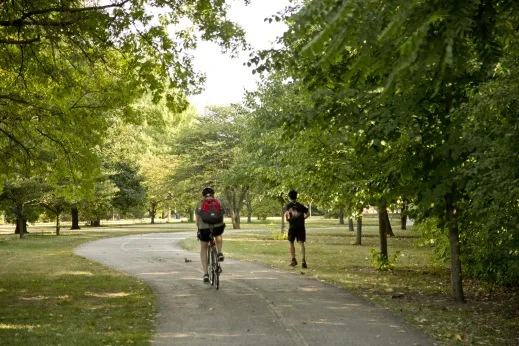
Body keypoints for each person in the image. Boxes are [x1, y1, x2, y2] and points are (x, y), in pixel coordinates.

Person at [195, 187, 225, 283]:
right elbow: (221, 217)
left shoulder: (199, 204)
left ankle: (205, 274)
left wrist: (199, 229)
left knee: (203, 248)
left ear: (203, 196)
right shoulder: (218, 202)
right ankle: (219, 252)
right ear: (213, 195)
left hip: (204, 229)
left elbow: (197, 220)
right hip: (217, 227)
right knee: (218, 235)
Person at [284, 190, 310, 268]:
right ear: (296, 197)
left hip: (292, 227)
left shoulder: (288, 205)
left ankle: (293, 260)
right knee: (301, 243)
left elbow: (287, 214)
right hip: (301, 226)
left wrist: (287, 218)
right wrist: (303, 219)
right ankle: (303, 261)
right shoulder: (300, 205)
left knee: (291, 242)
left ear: (289, 197)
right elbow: (308, 213)